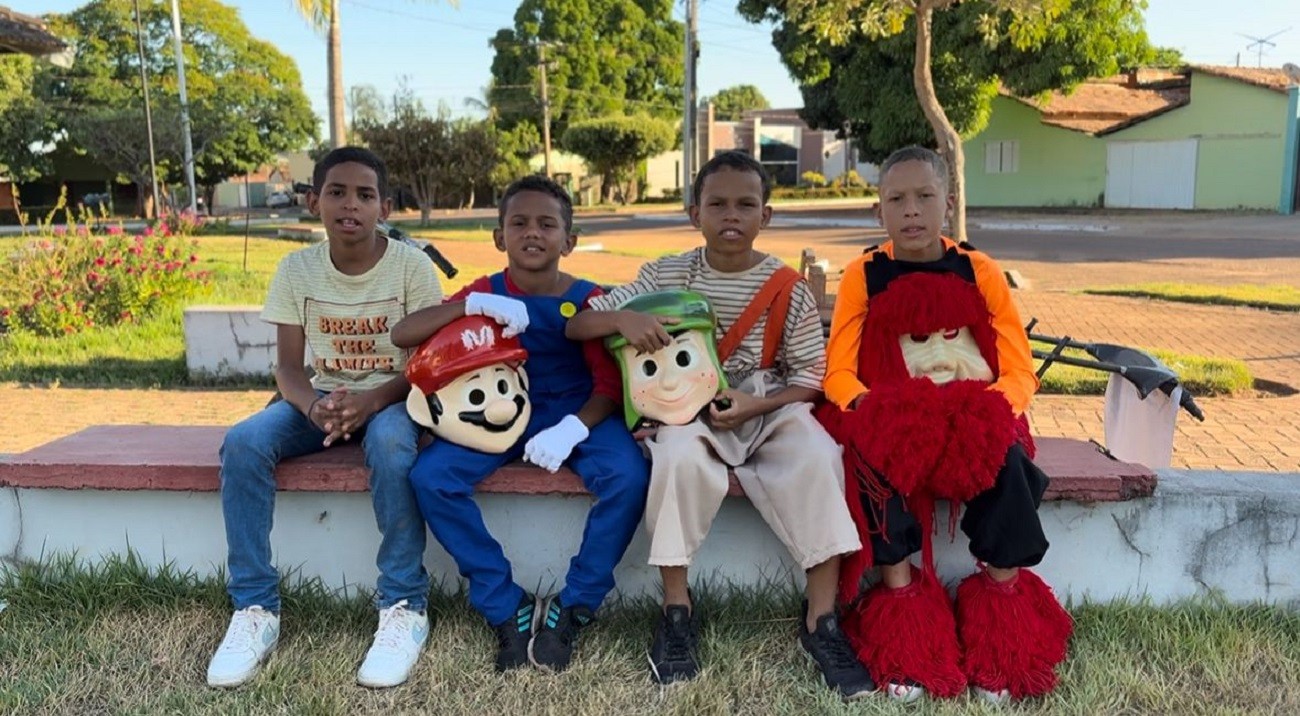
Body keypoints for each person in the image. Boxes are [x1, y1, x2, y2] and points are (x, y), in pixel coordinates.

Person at [566, 151, 874, 699]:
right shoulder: (664, 274)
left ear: (766, 216)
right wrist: (623, 318)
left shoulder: (786, 287)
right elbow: (578, 326)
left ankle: (822, 619)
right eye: (717, 204)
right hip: (685, 406)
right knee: (677, 458)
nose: (732, 215)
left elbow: (811, 378)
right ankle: (676, 610)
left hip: (766, 402)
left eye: (746, 205)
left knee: (819, 457)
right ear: (695, 213)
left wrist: (755, 405)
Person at [818, 145, 1072, 705]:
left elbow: (1018, 367)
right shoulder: (863, 273)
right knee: (870, 466)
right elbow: (838, 371)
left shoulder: (979, 269)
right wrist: (874, 410)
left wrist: (990, 412)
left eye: (924, 196)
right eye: (896, 199)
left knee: (1005, 463)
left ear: (948, 203)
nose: (911, 210)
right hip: (897, 412)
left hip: (974, 410)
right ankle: (903, 616)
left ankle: (1002, 628)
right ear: (878, 211)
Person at [392, 175, 650, 674]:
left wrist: (573, 429)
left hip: (580, 413)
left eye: (547, 224)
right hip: (498, 414)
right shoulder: (485, 292)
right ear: (499, 236)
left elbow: (609, 385)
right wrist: (469, 307)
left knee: (628, 476)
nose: (533, 232)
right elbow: (404, 333)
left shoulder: (591, 299)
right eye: (519, 223)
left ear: (569, 240)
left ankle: (575, 604)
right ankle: (504, 603)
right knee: (432, 476)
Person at [207, 147, 441, 689]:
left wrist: (371, 402)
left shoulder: (411, 267)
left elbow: (426, 366)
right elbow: (289, 369)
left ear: (384, 207)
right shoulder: (296, 269)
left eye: (365, 195)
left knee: (389, 446)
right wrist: (314, 407)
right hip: (324, 401)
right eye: (337, 192)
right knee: (243, 442)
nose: (350, 204)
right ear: (315, 202)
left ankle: (404, 603)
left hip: (395, 398)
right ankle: (254, 608)